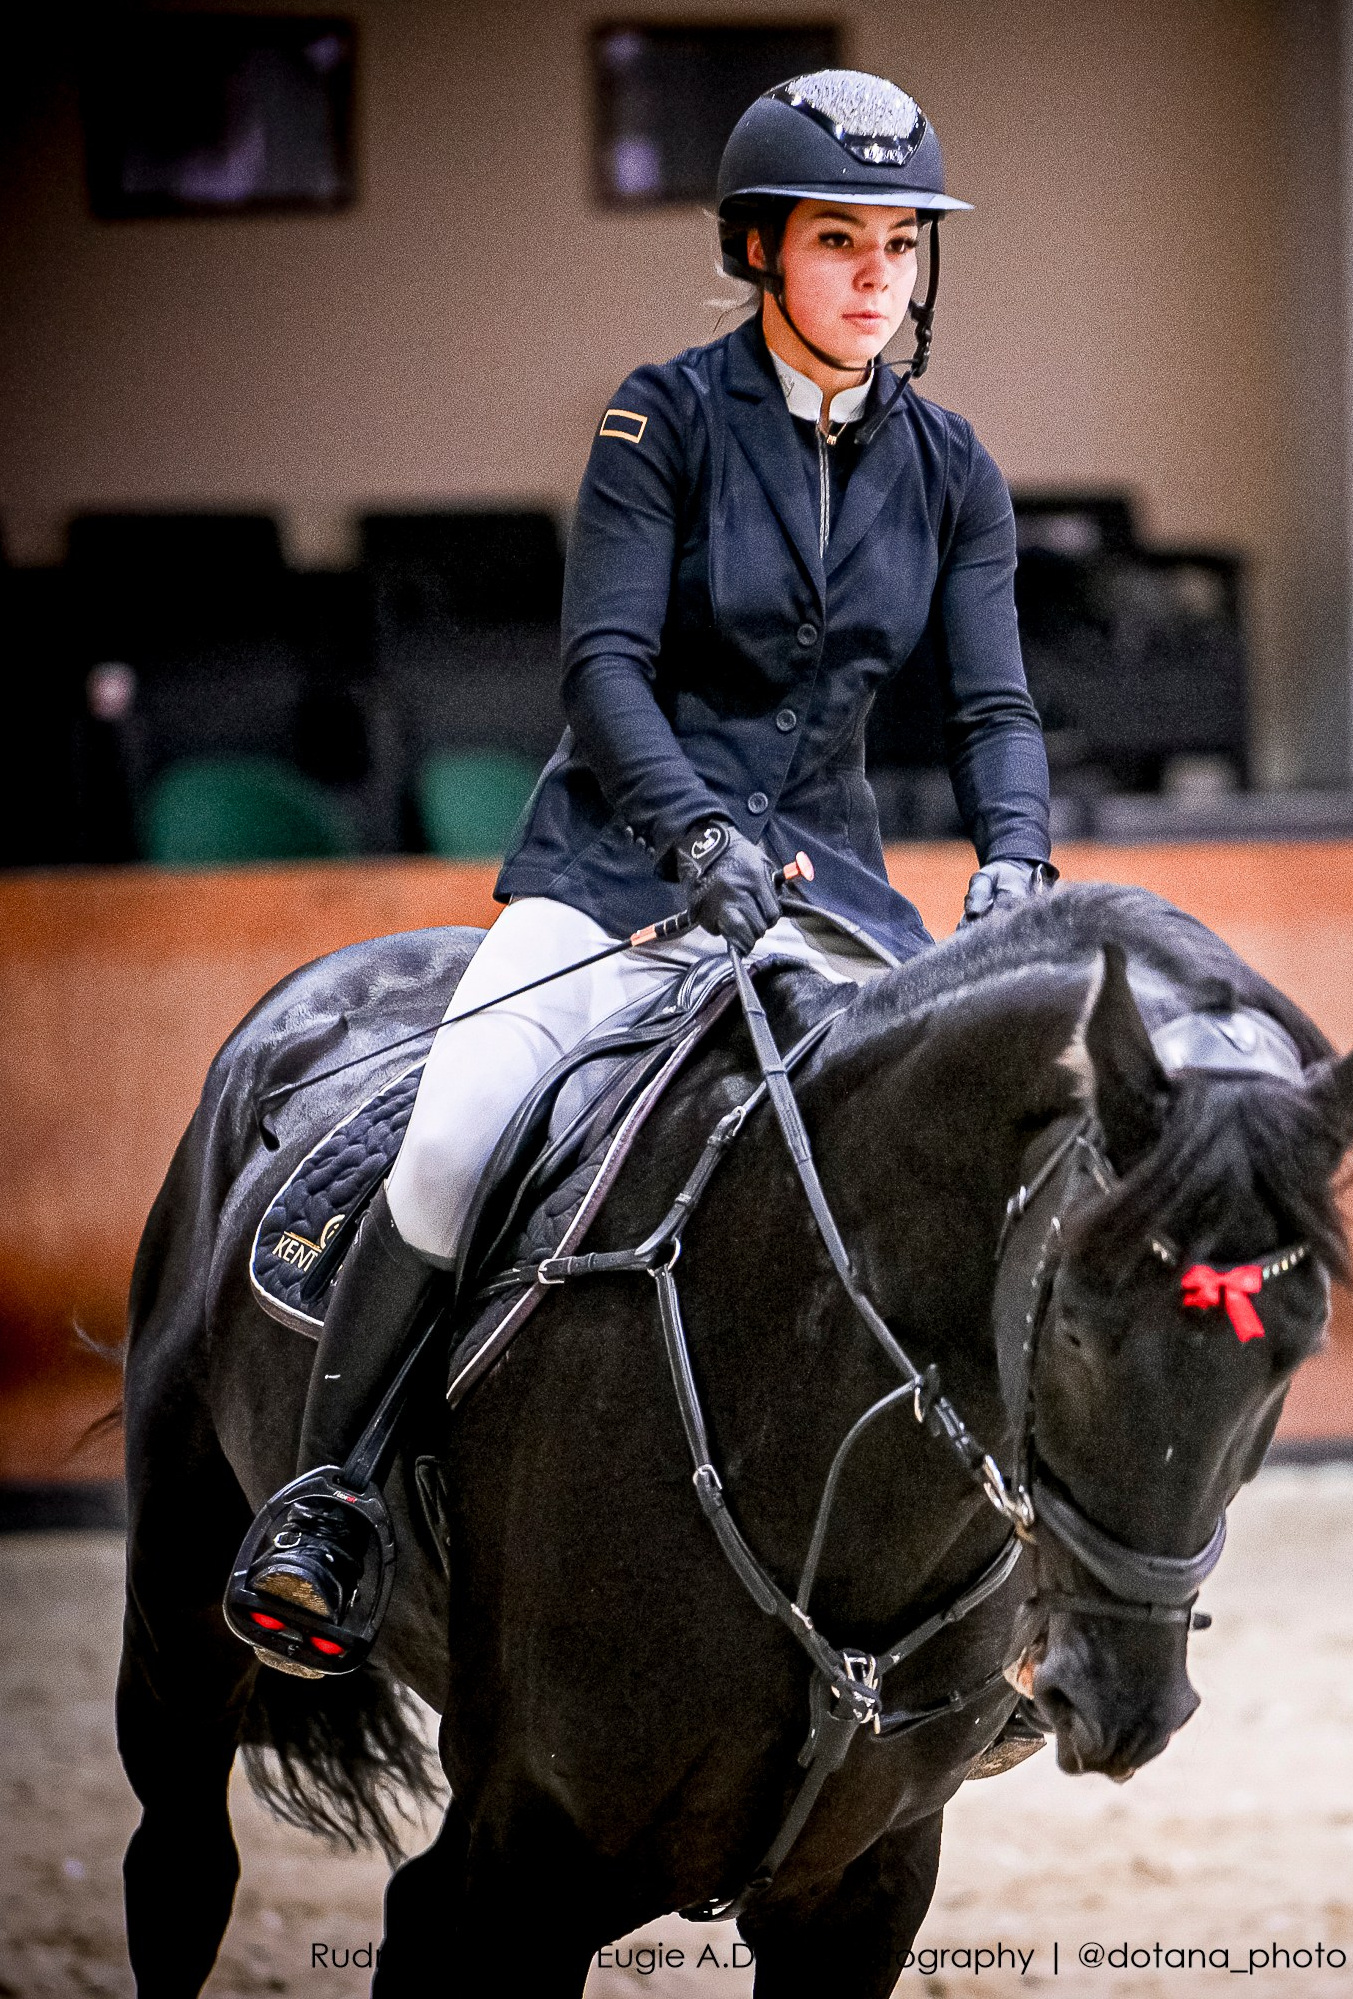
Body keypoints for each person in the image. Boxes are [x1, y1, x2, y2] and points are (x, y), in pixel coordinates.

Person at [231, 68, 1055, 1667]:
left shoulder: (954, 472)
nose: (878, 276)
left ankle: (991, 1596)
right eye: (841, 242)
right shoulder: (658, 418)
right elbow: (603, 668)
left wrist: (1015, 867)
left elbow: (995, 705)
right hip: (618, 862)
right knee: (461, 1129)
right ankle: (330, 1507)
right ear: (761, 251)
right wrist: (692, 834)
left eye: (901, 246)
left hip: (830, 890)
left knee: (961, 1169)